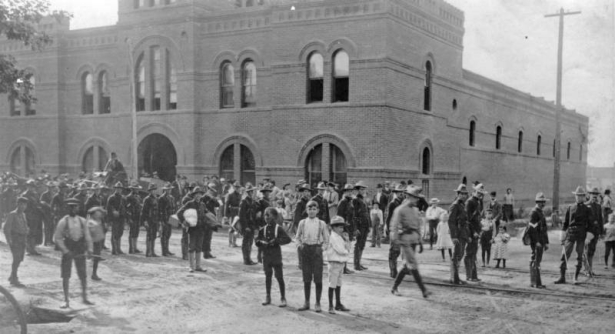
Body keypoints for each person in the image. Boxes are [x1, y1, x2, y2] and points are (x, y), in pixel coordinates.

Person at [390, 185, 431, 298]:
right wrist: (396, 240)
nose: (417, 200)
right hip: (405, 240)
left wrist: (421, 242)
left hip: (414, 239)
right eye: (414, 197)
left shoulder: (416, 210)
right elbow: (394, 226)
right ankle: (424, 290)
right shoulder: (400, 210)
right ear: (408, 196)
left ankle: (394, 288)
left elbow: (418, 226)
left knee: (406, 265)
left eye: (417, 198)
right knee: (412, 263)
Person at [54, 198, 94, 308]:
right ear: (68, 208)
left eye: (75, 206)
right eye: (71, 207)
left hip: (80, 249)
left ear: (77, 208)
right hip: (68, 249)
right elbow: (57, 238)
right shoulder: (63, 221)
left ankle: (84, 297)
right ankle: (66, 300)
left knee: (83, 274)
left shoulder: (82, 220)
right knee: (66, 275)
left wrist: (90, 249)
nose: (73, 209)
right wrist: (66, 251)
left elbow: (88, 236)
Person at [555, 186, 593, 285]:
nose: (579, 198)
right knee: (564, 255)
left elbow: (590, 225)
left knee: (579, 257)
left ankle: (575, 278)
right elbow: (565, 223)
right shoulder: (570, 208)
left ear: (584, 197)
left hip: (581, 235)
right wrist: (562, 236)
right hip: (570, 234)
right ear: (575, 196)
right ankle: (562, 277)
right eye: (577, 196)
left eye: (581, 196)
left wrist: (588, 238)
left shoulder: (587, 209)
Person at [296, 200, 329, 312]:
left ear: (318, 210)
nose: (311, 211)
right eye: (309, 209)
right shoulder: (302, 222)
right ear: (306, 210)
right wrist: (300, 246)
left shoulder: (322, 223)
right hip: (306, 251)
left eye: (314, 209)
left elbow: (326, 240)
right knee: (306, 278)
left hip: (316, 251)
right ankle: (306, 302)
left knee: (318, 278)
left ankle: (318, 303)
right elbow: (297, 237)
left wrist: (321, 249)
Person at [255, 207, 292, 307]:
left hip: (276, 256)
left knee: (279, 277)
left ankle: (283, 297)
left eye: (268, 215)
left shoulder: (278, 228)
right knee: (268, 276)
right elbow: (257, 241)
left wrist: (276, 241)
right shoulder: (263, 229)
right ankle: (268, 296)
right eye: (265, 215)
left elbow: (288, 239)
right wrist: (261, 242)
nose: (266, 217)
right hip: (266, 256)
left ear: (275, 217)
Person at [177, 187, 211, 272]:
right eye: (196, 194)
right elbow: (179, 212)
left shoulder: (203, 205)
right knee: (191, 247)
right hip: (192, 229)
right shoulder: (189, 204)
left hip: (201, 229)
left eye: (200, 194)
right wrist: (184, 222)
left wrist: (209, 222)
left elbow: (207, 215)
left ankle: (198, 266)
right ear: (194, 195)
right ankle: (191, 266)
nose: (198, 196)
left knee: (199, 247)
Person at [326, 216, 351, 314]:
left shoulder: (340, 237)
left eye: (342, 227)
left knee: (338, 284)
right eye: (340, 227)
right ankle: (330, 306)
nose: (342, 229)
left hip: (341, 263)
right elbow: (341, 250)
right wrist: (346, 252)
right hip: (334, 263)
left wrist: (347, 240)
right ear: (334, 227)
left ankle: (338, 303)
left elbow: (348, 248)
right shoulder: (332, 237)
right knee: (332, 284)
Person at [3, 197, 29, 287]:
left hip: (22, 239)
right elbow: (6, 228)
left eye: (25, 204)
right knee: (16, 258)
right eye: (21, 204)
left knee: (20, 259)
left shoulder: (23, 215)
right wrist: (9, 240)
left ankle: (12, 275)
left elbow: (25, 226)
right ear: (17, 204)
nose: (23, 206)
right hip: (15, 239)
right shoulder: (12, 214)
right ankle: (14, 278)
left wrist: (26, 232)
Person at [448, 184, 469, 285]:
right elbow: (451, 222)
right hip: (458, 235)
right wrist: (454, 236)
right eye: (462, 194)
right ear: (458, 194)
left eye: (465, 194)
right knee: (456, 256)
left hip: (463, 234)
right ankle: (454, 278)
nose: (464, 196)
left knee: (460, 255)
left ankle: (456, 277)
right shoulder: (455, 205)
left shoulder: (462, 205)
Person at [465, 183, 486, 282]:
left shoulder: (478, 201)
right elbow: (468, 219)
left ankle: (474, 275)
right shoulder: (470, 202)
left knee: (474, 253)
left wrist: (480, 228)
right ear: (474, 192)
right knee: (469, 253)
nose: (480, 195)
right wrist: (473, 232)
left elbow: (478, 218)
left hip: (476, 231)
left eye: (481, 193)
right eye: (478, 193)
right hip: (470, 231)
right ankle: (469, 275)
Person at [528, 193, 549, 288]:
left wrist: (546, 242)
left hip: (541, 240)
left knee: (537, 260)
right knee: (535, 260)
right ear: (537, 202)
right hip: (536, 241)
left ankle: (535, 282)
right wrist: (536, 241)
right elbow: (531, 229)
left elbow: (544, 229)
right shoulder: (534, 213)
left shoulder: (541, 212)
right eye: (541, 202)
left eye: (544, 202)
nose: (543, 204)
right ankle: (536, 282)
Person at [387, 185, 406, 278]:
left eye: (402, 192)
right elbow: (389, 218)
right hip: (395, 230)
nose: (401, 194)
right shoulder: (392, 204)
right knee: (394, 251)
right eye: (399, 192)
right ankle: (393, 270)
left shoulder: (405, 203)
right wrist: (388, 230)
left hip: (404, 229)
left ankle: (405, 269)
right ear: (395, 193)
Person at [352, 181, 371, 271]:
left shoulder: (363, 200)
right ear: (358, 190)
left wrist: (369, 225)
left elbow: (367, 213)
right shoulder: (355, 200)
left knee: (362, 244)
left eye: (364, 189)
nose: (363, 191)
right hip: (360, 226)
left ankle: (359, 262)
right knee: (358, 244)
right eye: (361, 189)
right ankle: (356, 264)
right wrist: (355, 228)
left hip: (365, 225)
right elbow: (354, 215)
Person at [586, 188, 604, 276]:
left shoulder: (598, 206)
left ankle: (590, 269)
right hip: (588, 232)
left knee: (592, 250)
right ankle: (586, 270)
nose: (594, 195)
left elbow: (600, 219)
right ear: (589, 194)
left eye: (596, 194)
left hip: (595, 232)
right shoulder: (585, 205)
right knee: (587, 251)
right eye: (593, 193)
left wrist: (601, 232)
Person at [239, 184, 258, 265]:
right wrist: (245, 226)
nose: (253, 193)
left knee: (250, 242)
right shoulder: (244, 201)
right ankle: (246, 260)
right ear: (249, 192)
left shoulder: (251, 201)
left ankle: (248, 258)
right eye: (252, 191)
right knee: (246, 242)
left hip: (251, 224)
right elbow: (242, 215)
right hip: (247, 225)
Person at [86, 206, 106, 281]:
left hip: (97, 242)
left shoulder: (98, 220)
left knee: (96, 258)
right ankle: (91, 274)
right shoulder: (90, 222)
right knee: (91, 258)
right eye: (98, 213)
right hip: (92, 242)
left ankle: (94, 274)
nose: (99, 215)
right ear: (93, 214)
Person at [294, 184, 311, 269]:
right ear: (302, 192)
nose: (306, 193)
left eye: (308, 191)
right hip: (301, 225)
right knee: (300, 245)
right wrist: (298, 228)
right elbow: (297, 217)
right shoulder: (300, 202)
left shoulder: (309, 202)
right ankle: (301, 263)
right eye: (305, 191)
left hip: (308, 225)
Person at [201, 183, 221, 259]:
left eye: (213, 191)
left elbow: (217, 205)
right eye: (211, 190)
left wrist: (213, 199)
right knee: (206, 236)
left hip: (211, 218)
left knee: (209, 236)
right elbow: (203, 207)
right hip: (206, 218)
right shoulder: (203, 197)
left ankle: (208, 251)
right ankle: (205, 253)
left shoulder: (212, 197)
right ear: (207, 189)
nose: (212, 192)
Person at [106, 182, 126, 255]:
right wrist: (110, 219)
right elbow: (108, 209)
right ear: (115, 189)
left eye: (120, 188)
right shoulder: (111, 198)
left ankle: (118, 248)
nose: (119, 190)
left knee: (120, 233)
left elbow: (125, 208)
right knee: (114, 233)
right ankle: (114, 250)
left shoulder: (123, 198)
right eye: (117, 188)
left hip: (121, 218)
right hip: (115, 218)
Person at [141, 184, 160, 257]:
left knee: (154, 236)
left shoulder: (156, 199)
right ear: (150, 191)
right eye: (152, 190)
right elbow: (144, 211)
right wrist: (145, 221)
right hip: (149, 219)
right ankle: (148, 252)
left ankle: (152, 251)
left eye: (155, 189)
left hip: (155, 219)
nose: (154, 191)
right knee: (149, 235)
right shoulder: (147, 199)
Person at [158, 183, 176, 256]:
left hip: (171, 217)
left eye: (170, 189)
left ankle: (167, 250)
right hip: (164, 218)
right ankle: (164, 251)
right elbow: (160, 210)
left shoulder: (172, 198)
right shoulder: (161, 198)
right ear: (165, 189)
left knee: (169, 234)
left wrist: (174, 219)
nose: (169, 190)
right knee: (164, 234)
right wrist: (161, 221)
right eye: (168, 189)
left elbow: (174, 209)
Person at [125, 183, 143, 254]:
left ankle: (135, 247)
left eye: (138, 188)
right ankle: (131, 248)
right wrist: (129, 218)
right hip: (132, 216)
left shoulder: (138, 197)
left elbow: (140, 206)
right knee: (132, 232)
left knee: (136, 232)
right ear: (132, 189)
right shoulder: (129, 197)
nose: (137, 190)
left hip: (137, 216)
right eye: (136, 188)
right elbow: (127, 209)